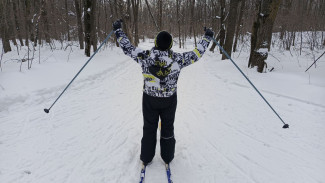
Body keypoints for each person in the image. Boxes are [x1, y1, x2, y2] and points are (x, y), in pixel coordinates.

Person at [112, 20, 213, 166]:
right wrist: (207, 37)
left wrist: (118, 31)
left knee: (149, 127)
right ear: (171, 45)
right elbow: (197, 54)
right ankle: (167, 156)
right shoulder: (178, 59)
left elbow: (127, 48)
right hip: (169, 100)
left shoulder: (145, 57)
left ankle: (146, 157)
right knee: (167, 127)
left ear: (155, 42)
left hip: (149, 99)